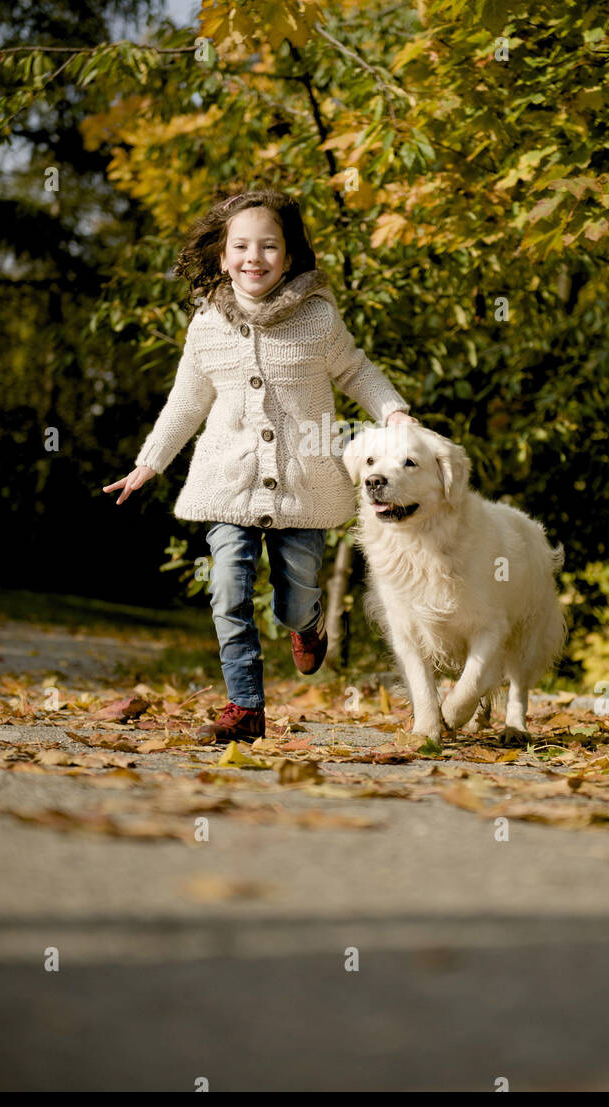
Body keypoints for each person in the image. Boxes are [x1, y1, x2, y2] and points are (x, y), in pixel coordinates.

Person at [104, 187, 416, 744]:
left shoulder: (318, 319)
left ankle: (309, 625)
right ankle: (244, 707)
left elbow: (356, 370)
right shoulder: (206, 324)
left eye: (268, 246)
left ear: (288, 256)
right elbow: (186, 402)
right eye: (241, 247)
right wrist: (148, 463)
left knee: (294, 601)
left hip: (304, 488)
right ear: (223, 258)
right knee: (227, 586)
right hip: (229, 484)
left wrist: (391, 410)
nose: (255, 257)